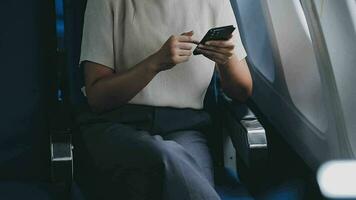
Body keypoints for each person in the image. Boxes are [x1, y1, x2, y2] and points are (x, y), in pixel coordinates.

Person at [78, 0, 252, 199]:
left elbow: (242, 91)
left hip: (185, 129)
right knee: (167, 158)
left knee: (157, 179)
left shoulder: (215, 3)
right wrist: (155, 63)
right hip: (117, 125)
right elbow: (97, 98)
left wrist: (225, 59)